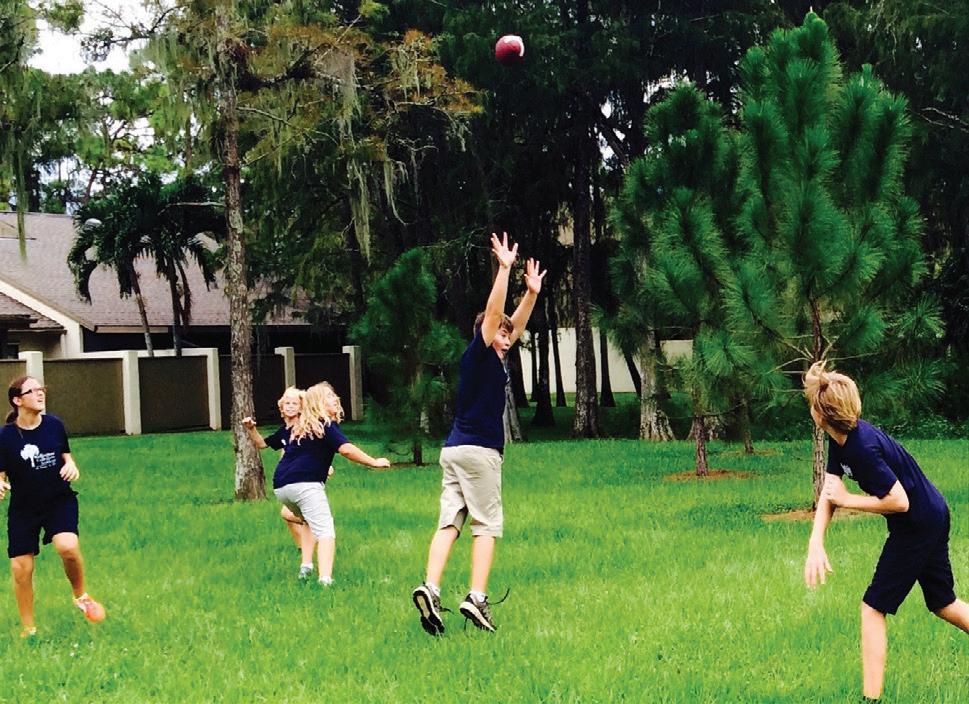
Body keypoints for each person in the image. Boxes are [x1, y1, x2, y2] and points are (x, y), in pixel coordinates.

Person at [802, 361, 969, 700]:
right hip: (930, 515)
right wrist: (816, 542)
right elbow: (830, 491)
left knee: (872, 606)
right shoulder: (841, 438)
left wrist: (850, 500)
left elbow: (899, 501)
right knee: (943, 602)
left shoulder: (862, 447)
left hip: (918, 524)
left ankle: (870, 698)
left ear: (820, 415)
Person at [412, 232, 545, 635]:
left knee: (449, 523)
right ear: (487, 334)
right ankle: (477, 597)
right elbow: (494, 315)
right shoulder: (479, 352)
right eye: (502, 334)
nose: (508, 339)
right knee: (486, 526)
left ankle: (431, 588)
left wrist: (531, 294)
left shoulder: (491, 360)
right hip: (479, 452)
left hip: (453, 451)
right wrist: (504, 270)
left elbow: (514, 324)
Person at [0, 376, 105, 638]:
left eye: (42, 389)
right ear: (17, 400)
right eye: (33, 390)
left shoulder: (54, 425)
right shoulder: (5, 437)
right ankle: (29, 629)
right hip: (24, 508)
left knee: (67, 547)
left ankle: (80, 596)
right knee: (21, 568)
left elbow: (67, 457)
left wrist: (71, 465)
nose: (40, 393)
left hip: (58, 501)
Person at [266, 381, 389, 586]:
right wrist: (373, 462)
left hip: (281, 486)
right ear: (318, 403)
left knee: (308, 521)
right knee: (325, 531)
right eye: (329, 397)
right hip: (305, 484)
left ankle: (305, 568)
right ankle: (325, 581)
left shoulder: (304, 426)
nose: (336, 399)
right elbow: (346, 449)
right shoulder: (325, 423)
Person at [243, 386, 323, 580]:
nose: (290, 406)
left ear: (302, 407)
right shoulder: (284, 431)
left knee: (293, 515)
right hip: (291, 481)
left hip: (307, 480)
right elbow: (261, 444)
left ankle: (318, 544)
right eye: (287, 403)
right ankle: (306, 550)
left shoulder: (306, 427)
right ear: (281, 407)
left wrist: (325, 465)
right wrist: (251, 429)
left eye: (295, 403)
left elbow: (320, 447)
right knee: (294, 517)